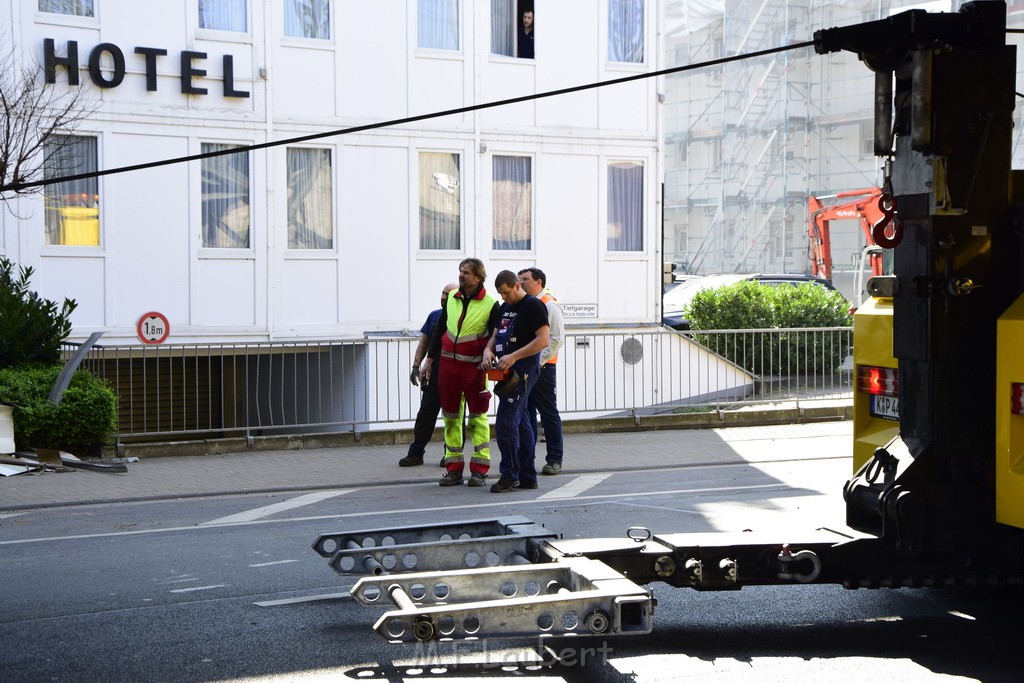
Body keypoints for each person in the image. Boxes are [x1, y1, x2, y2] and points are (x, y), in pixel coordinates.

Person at [424, 258, 499, 487]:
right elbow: (439, 329)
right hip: (448, 365)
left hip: (474, 367)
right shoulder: (453, 299)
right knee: (450, 418)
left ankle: (479, 470)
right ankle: (453, 469)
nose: (461, 275)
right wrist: (429, 358)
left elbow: (496, 333)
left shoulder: (490, 303)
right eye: (460, 271)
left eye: (466, 272)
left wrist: (489, 350)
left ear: (478, 277)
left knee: (478, 418)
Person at [482, 270, 549, 493]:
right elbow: (495, 335)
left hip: (524, 369)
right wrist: (487, 351)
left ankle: (509, 474)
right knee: (521, 423)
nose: (504, 297)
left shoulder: (533, 306)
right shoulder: (504, 307)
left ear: (517, 286)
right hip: (506, 370)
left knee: (506, 422)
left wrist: (514, 356)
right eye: (500, 294)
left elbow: (543, 340)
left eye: (507, 293)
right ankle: (527, 476)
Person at [399, 282, 459, 467]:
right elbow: (424, 343)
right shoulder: (434, 316)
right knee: (426, 414)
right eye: (442, 292)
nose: (443, 296)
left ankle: (450, 454)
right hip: (433, 372)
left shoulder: (461, 317)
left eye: (447, 294)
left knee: (453, 417)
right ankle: (416, 452)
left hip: (454, 374)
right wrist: (416, 366)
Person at [518, 267, 564, 475]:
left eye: (525, 279)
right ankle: (527, 460)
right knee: (527, 413)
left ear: (538, 282)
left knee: (547, 413)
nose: (521, 283)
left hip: (543, 368)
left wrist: (537, 361)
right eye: (520, 279)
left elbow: (556, 339)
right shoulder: (527, 303)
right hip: (530, 366)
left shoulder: (549, 304)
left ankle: (554, 459)